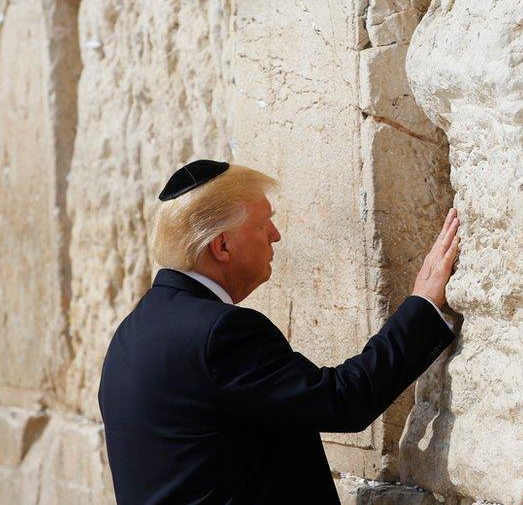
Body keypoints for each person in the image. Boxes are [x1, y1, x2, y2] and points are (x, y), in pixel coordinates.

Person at [98, 159, 460, 504]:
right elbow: (343, 401)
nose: (276, 235)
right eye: (263, 223)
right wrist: (423, 306)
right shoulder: (220, 334)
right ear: (222, 245)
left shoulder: (131, 333)